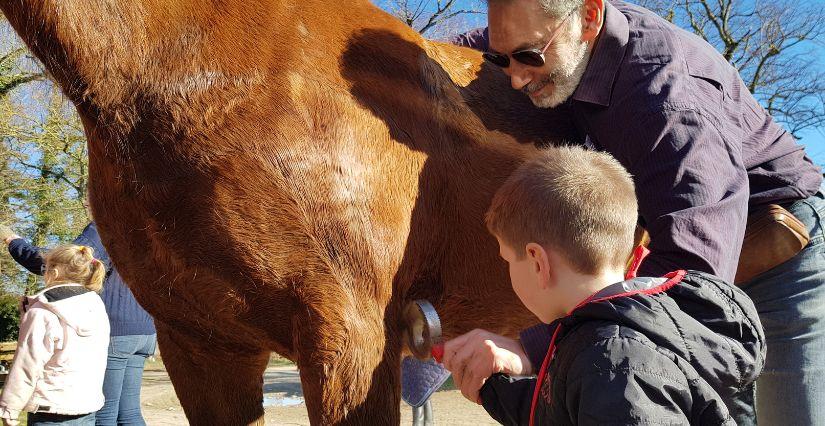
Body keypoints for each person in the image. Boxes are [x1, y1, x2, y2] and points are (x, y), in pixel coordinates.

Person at [448, 0, 824, 423]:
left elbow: (693, 281)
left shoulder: (669, 105)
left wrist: (534, 349)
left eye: (530, 57)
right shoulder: (549, 29)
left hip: (778, 254)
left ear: (588, 17)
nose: (515, 78)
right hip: (700, 257)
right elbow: (489, 43)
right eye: (503, 57)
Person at [441, 146, 765, 424]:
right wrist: (492, 390)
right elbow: (557, 411)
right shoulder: (601, 340)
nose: (508, 270)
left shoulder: (616, 364)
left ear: (538, 262)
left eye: (507, 259)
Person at [1, 223, 157, 426]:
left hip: (117, 329)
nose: (86, 204)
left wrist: (13, 240)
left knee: (105, 415)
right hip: (144, 328)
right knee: (129, 414)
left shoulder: (104, 226)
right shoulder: (146, 226)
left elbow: (62, 261)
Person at [0, 244, 110, 425]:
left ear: (54, 272)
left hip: (50, 410)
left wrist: (10, 407)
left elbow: (27, 363)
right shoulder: (95, 305)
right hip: (87, 407)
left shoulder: (42, 312)